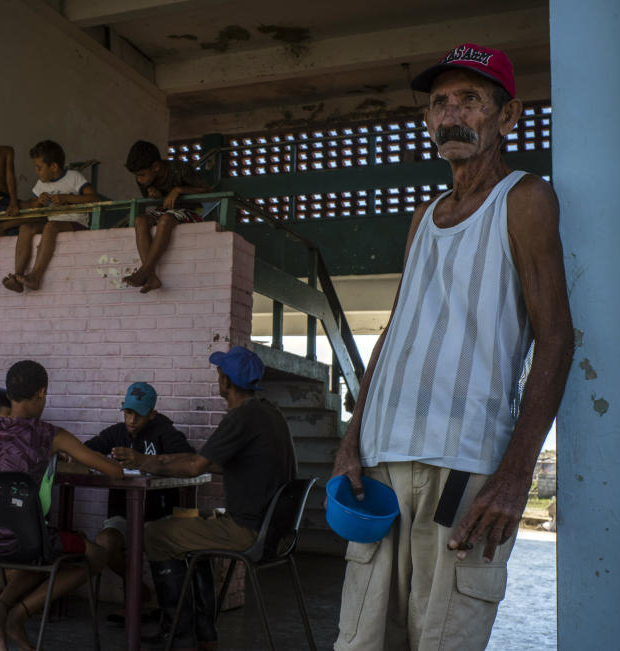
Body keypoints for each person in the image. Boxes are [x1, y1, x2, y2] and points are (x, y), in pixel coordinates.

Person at [330, 43, 573, 651]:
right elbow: (394, 331)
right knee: (361, 640)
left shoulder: (524, 199)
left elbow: (557, 338)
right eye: (441, 102)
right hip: (382, 461)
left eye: (471, 99)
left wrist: (516, 474)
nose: (452, 114)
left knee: (440, 640)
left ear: (507, 116)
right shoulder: (423, 215)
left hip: (466, 465)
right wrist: (350, 439)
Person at [115, 346, 295, 651]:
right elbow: (212, 462)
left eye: (220, 373)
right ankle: (204, 634)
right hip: (276, 531)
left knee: (155, 534)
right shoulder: (269, 414)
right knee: (186, 535)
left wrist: (142, 460)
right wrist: (165, 460)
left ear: (225, 381)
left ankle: (179, 635)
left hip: (248, 531)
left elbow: (197, 466)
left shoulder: (241, 417)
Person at [0, 360, 124, 651]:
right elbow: (113, 471)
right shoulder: (50, 434)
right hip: (29, 541)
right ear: (41, 393)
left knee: (40, 550)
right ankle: (19, 614)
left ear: (9, 394)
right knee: (96, 555)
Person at [83, 382, 195, 623]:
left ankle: (169, 614)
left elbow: (190, 459)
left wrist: (147, 461)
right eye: (128, 412)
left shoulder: (165, 432)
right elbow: (86, 451)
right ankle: (137, 592)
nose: (131, 420)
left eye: (138, 415)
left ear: (152, 414)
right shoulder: (115, 434)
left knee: (162, 545)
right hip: (122, 513)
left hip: (159, 516)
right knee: (104, 543)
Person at [2, 140, 99, 292]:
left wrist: (67, 198)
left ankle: (35, 276)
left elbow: (94, 198)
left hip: (76, 223)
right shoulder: (41, 184)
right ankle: (17, 277)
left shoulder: (74, 176)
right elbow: (31, 203)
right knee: (26, 228)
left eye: (39, 167)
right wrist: (38, 202)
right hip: (54, 223)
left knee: (50, 226)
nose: (36, 171)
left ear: (53, 166)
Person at [122, 140, 210, 293]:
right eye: (137, 176)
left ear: (156, 167)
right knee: (140, 220)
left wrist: (179, 190)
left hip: (189, 211)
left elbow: (205, 190)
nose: (139, 180)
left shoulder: (180, 169)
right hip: (164, 210)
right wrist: (152, 193)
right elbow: (150, 197)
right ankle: (152, 278)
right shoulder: (144, 180)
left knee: (165, 220)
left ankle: (144, 272)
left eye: (142, 175)